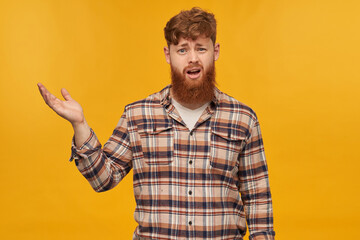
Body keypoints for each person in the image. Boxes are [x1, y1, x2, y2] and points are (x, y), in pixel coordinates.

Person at [38, 7, 275, 240]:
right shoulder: (137, 115)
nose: (193, 58)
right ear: (167, 54)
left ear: (215, 52)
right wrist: (80, 124)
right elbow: (103, 179)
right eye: (182, 50)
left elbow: (258, 199)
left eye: (201, 48)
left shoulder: (243, 118)